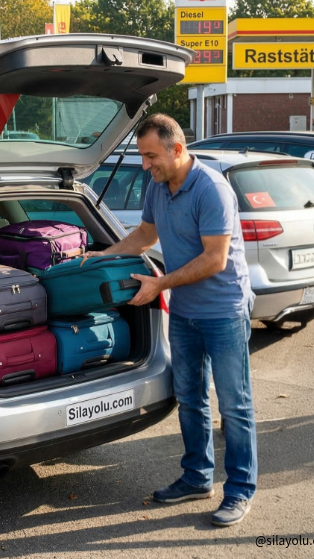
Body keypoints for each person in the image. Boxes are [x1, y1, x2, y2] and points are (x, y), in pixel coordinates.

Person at [84, 114, 257, 527]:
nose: (145, 165)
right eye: (142, 156)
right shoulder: (159, 186)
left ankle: (240, 490)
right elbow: (144, 236)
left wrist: (159, 285)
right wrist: (102, 256)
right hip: (185, 312)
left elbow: (214, 259)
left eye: (150, 156)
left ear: (177, 149)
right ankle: (197, 477)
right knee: (190, 397)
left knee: (234, 405)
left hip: (224, 311)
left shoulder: (212, 189)